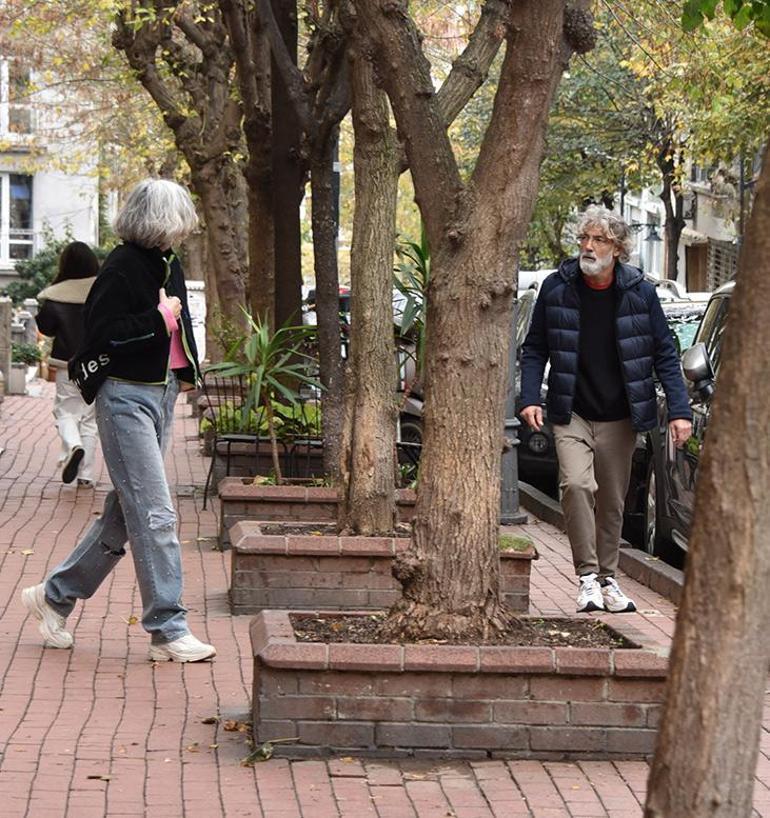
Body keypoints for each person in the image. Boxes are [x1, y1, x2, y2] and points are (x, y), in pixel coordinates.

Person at [21, 178, 215, 663]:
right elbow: (104, 335)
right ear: (160, 220)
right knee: (156, 513)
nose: (186, 227)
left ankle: (54, 596)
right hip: (125, 397)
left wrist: (185, 372)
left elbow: (177, 325)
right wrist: (162, 319)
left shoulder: (166, 264)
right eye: (180, 217)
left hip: (161, 393)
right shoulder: (123, 267)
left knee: (127, 512)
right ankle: (168, 628)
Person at [520, 205, 692, 614]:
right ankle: (585, 578)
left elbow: (665, 354)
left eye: (598, 240)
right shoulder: (557, 288)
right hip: (570, 410)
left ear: (617, 248)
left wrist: (681, 410)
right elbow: (535, 348)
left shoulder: (640, 293)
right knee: (577, 486)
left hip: (620, 415)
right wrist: (529, 397)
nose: (588, 246)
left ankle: (608, 579)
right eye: (584, 238)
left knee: (612, 502)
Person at [36, 242, 100, 486]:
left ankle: (73, 446)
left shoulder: (56, 294)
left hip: (66, 364)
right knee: (90, 419)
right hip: (96, 363)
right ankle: (85, 476)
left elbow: (45, 327)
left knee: (65, 411)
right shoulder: (102, 290)